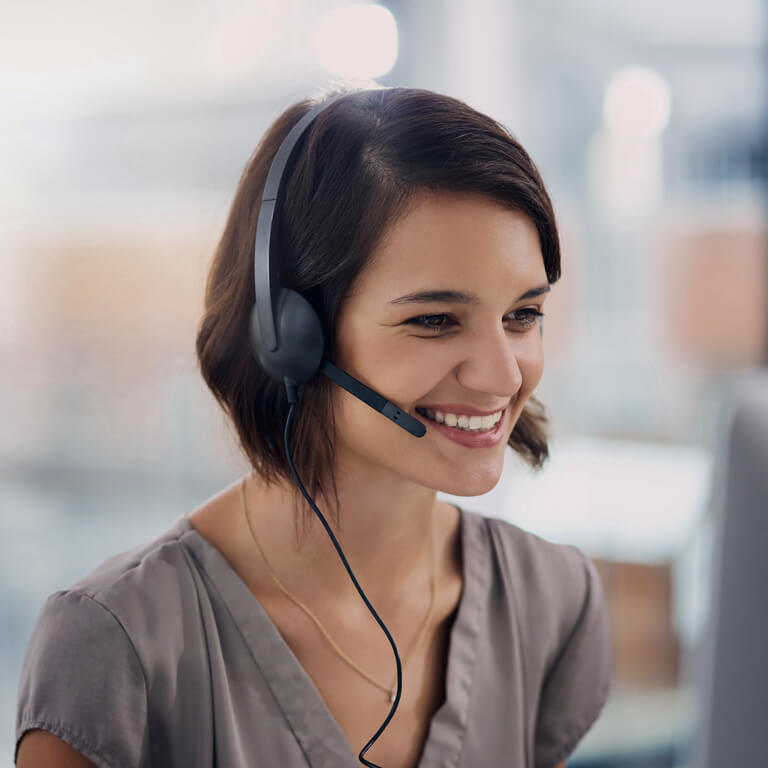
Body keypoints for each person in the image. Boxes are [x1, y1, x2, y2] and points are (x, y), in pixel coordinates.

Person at [15, 87, 612, 768]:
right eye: (435, 320)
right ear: (290, 334)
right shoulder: (119, 642)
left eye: (522, 315)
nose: (503, 375)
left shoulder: (550, 601)